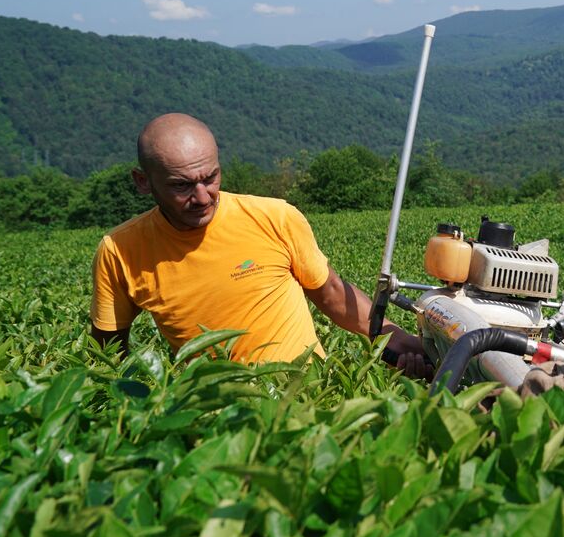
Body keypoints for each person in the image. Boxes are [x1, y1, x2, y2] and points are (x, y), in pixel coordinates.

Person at [90, 113, 429, 372]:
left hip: (305, 391)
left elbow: (335, 297)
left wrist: (401, 342)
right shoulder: (120, 250)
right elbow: (108, 354)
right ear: (143, 182)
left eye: (210, 178)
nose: (202, 197)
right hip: (214, 414)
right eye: (181, 186)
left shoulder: (274, 217)